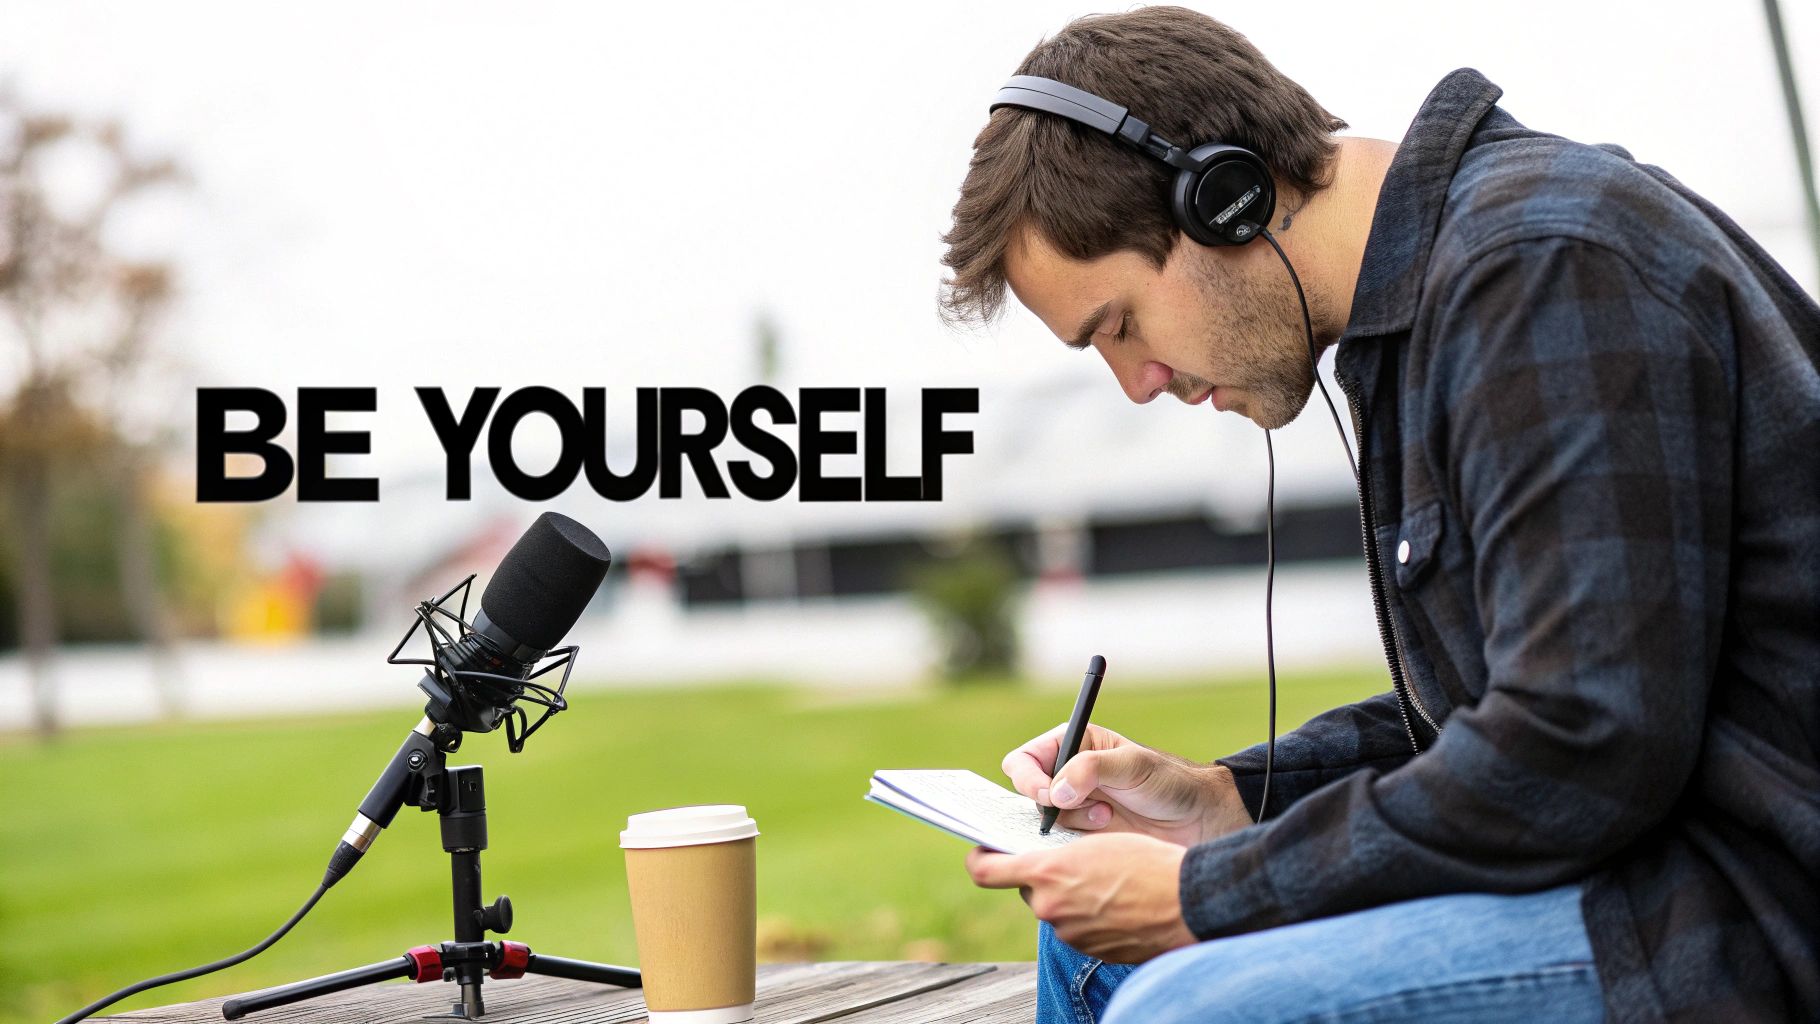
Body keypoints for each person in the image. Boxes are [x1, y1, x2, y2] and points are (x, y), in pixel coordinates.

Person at [937, 8, 1819, 1024]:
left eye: (1121, 324)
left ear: (1226, 199)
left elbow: (1579, 748)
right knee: (1095, 953)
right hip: (1631, 869)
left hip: (1734, 912)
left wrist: (1204, 893)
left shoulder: (1539, 272)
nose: (1136, 383)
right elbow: (1494, 716)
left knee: (1192, 1007)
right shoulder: (1436, 310)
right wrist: (1225, 803)